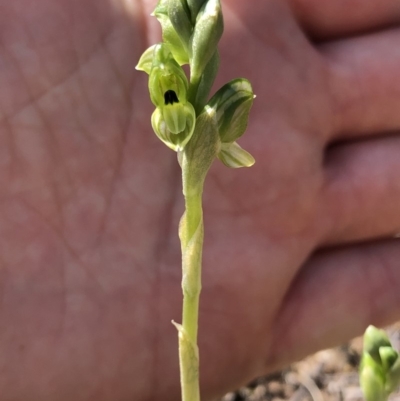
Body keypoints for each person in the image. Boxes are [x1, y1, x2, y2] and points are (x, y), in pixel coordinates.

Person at [1, 0, 400, 399]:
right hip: (192, 127)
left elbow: (213, 105)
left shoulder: (204, 115)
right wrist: (176, 100)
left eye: (169, 89)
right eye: (164, 89)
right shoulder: (169, 85)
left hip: (201, 129)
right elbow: (170, 98)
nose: (169, 94)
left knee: (222, 119)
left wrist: (209, 125)